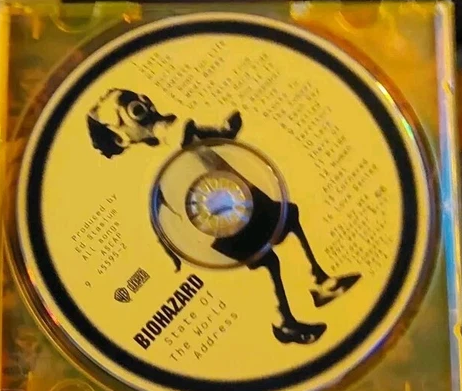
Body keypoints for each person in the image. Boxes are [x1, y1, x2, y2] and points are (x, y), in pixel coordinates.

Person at [87, 88, 360, 345]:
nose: (139, 106)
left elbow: (212, 134)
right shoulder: (157, 152)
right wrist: (170, 257)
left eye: (133, 98)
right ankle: (285, 321)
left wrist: (228, 129)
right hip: (217, 223)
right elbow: (157, 210)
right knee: (268, 258)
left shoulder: (173, 132)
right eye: (125, 110)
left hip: (239, 195)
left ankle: (318, 282)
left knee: (289, 216)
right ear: (120, 138)